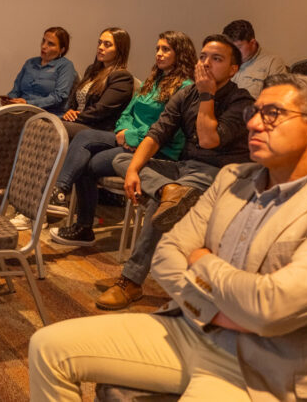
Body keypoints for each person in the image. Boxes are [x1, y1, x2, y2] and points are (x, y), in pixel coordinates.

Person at [30, 74, 307, 401]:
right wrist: (212, 310)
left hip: (274, 368)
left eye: (272, 114)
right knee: (48, 347)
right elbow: (167, 256)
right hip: (198, 329)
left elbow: (270, 309)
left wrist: (201, 259)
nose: (253, 123)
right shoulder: (233, 178)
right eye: (254, 112)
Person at [96, 35, 253, 310]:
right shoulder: (186, 94)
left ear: (233, 69)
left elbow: (208, 140)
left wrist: (207, 95)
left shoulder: (240, 101)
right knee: (122, 159)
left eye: (216, 59)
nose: (206, 64)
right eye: (203, 57)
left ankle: (130, 281)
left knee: (162, 207)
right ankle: (166, 190)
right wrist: (134, 170)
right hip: (184, 168)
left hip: (220, 174)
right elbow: (157, 134)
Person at [47, 31, 196, 246]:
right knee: (85, 136)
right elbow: (127, 113)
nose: (159, 54)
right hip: (128, 138)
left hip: (157, 149)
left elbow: (169, 129)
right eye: (157, 49)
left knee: (89, 163)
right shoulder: (152, 81)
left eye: (166, 49)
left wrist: (133, 137)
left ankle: (82, 225)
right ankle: (60, 193)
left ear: (180, 53)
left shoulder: (186, 88)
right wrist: (124, 131)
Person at [10, 27, 133, 230]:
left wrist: (76, 116)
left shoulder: (122, 77)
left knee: (49, 129)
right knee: (42, 128)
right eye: (100, 42)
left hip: (100, 130)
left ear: (119, 49)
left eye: (107, 44)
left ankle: (42, 206)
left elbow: (102, 110)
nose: (101, 47)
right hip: (80, 124)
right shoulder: (93, 71)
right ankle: (30, 205)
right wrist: (71, 112)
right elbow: (75, 100)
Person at [0, 27, 76, 114]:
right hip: (21, 111)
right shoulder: (30, 63)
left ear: (61, 50)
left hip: (47, 114)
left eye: (50, 44)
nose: (43, 46)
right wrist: (10, 100)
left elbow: (59, 97)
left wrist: (28, 104)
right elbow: (15, 91)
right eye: (43, 41)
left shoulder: (65, 66)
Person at [222, 19, 287, 98]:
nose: (233, 52)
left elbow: (279, 98)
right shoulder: (223, 62)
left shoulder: (272, 63)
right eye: (230, 48)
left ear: (252, 43)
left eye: (238, 47)